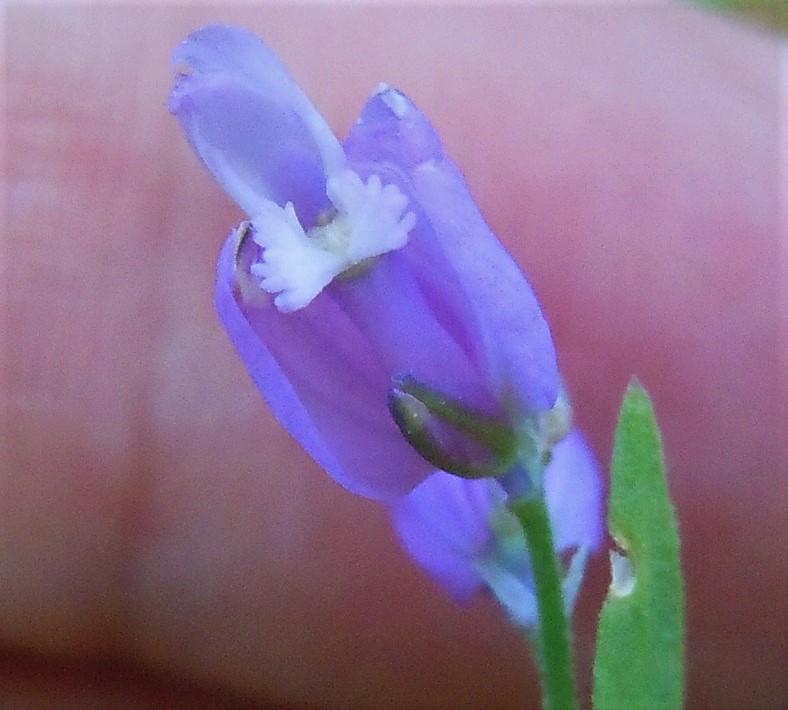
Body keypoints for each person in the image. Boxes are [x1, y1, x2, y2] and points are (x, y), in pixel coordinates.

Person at [3, 4, 784, 708]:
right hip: (493, 476)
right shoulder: (466, 447)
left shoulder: (489, 411)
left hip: (502, 463)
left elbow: (429, 193)